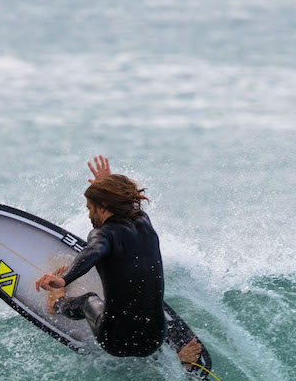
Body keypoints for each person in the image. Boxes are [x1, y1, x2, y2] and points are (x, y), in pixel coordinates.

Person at [35, 156, 202, 365]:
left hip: (115, 341)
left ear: (103, 206)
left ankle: (57, 304)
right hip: (155, 340)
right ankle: (179, 354)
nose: (89, 215)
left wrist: (64, 280)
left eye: (90, 208)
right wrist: (107, 183)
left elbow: (92, 252)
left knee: (89, 300)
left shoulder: (102, 234)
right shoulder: (144, 220)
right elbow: (128, 203)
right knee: (148, 295)